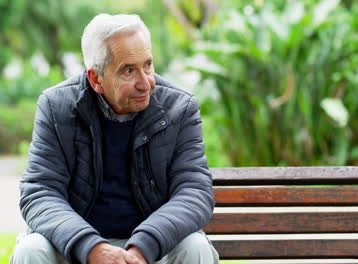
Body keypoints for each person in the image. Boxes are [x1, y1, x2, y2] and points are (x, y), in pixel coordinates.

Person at [10, 13, 219, 264]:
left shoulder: (180, 107)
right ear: (96, 79)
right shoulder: (55, 106)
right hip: (80, 250)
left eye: (148, 65)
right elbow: (40, 191)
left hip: (152, 250)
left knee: (195, 247)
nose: (146, 83)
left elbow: (194, 191)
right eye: (129, 70)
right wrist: (92, 248)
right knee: (31, 250)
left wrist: (142, 248)